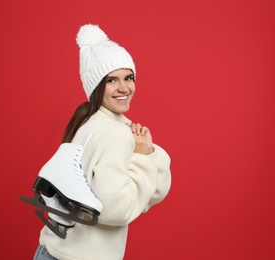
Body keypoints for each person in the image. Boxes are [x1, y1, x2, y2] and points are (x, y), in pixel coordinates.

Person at [34, 24, 172, 260]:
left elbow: (147, 195)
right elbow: (116, 210)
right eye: (111, 81)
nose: (123, 88)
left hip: (52, 250)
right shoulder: (115, 133)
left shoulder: (86, 121)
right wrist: (143, 156)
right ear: (97, 86)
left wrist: (146, 153)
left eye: (129, 77)